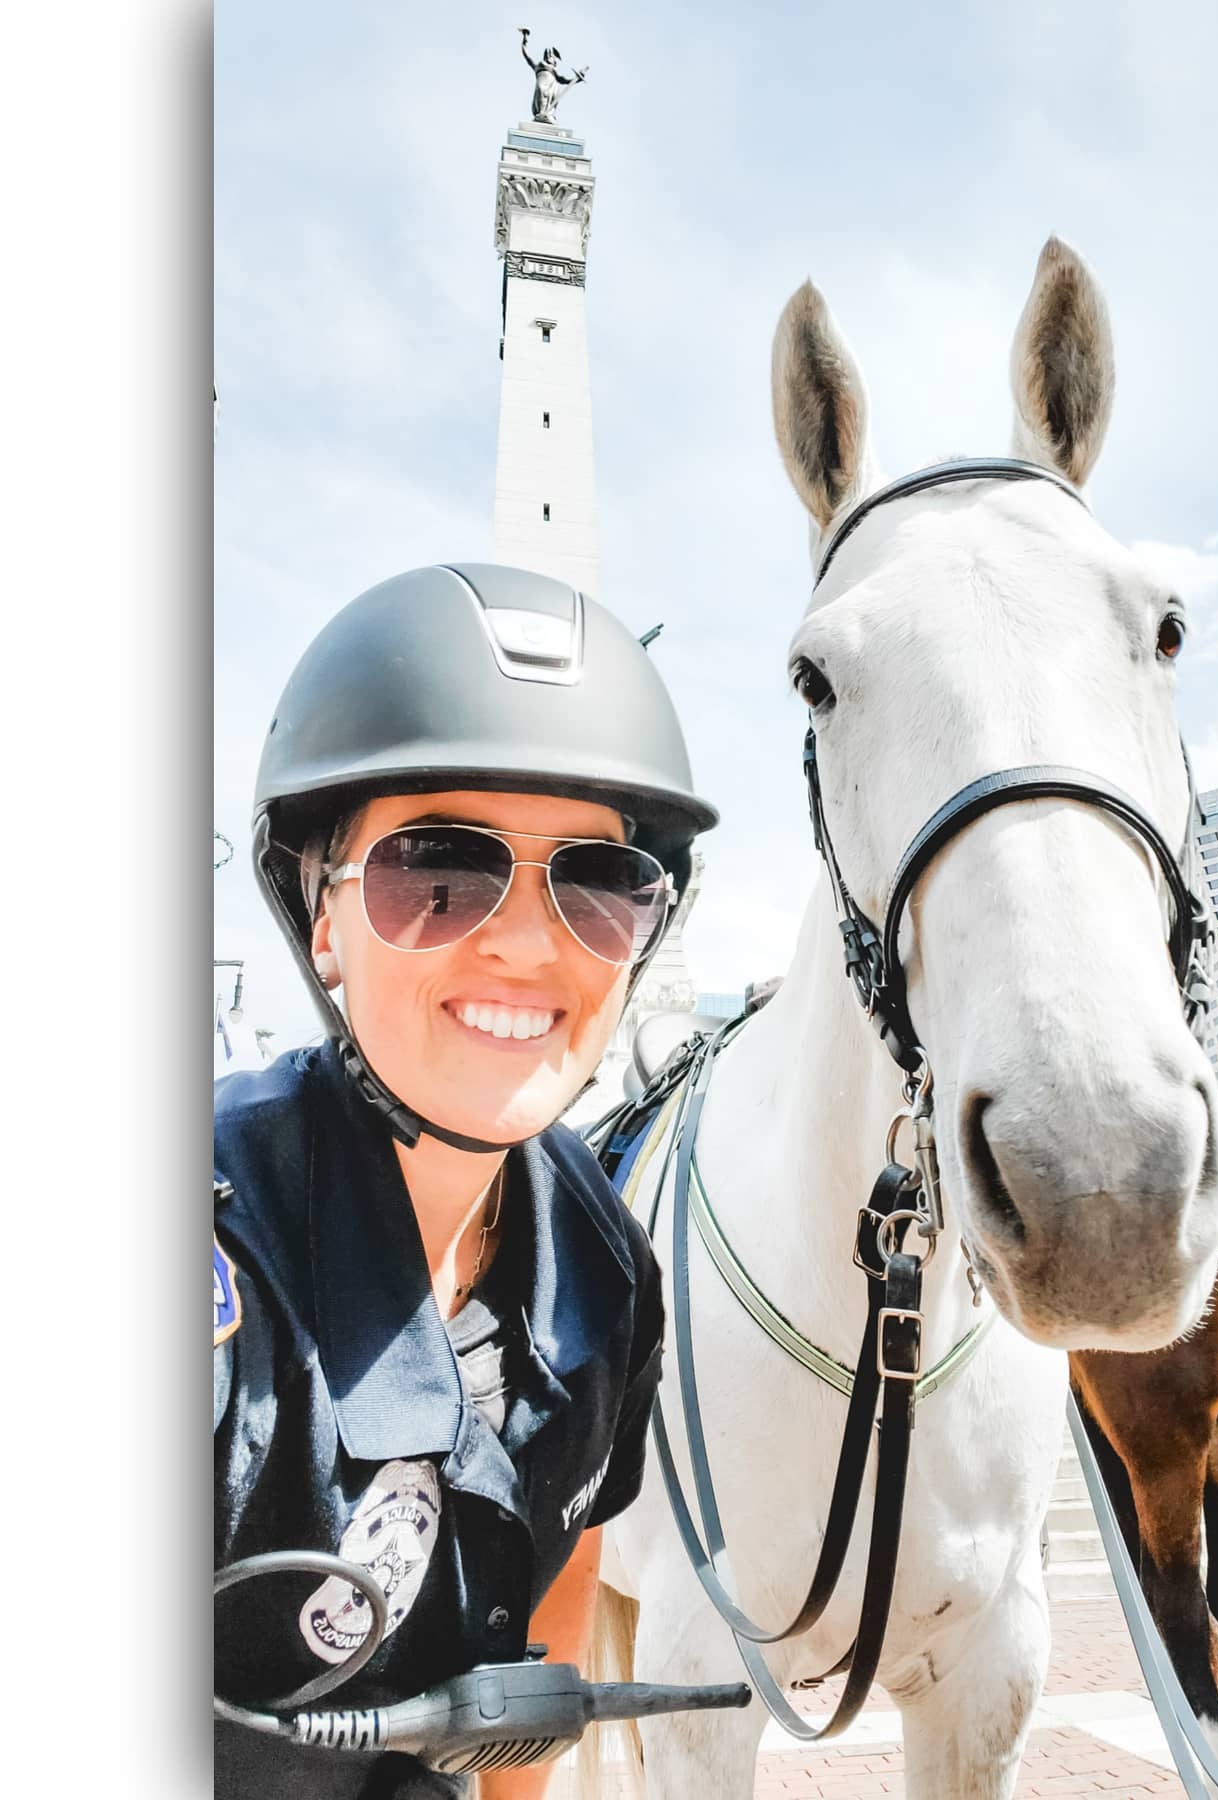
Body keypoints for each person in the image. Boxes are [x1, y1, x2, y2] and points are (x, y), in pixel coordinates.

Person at [214, 562, 717, 1799]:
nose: (532, 942)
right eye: (437, 869)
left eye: (599, 882)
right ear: (323, 917)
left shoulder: (602, 1272)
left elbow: (556, 1587)